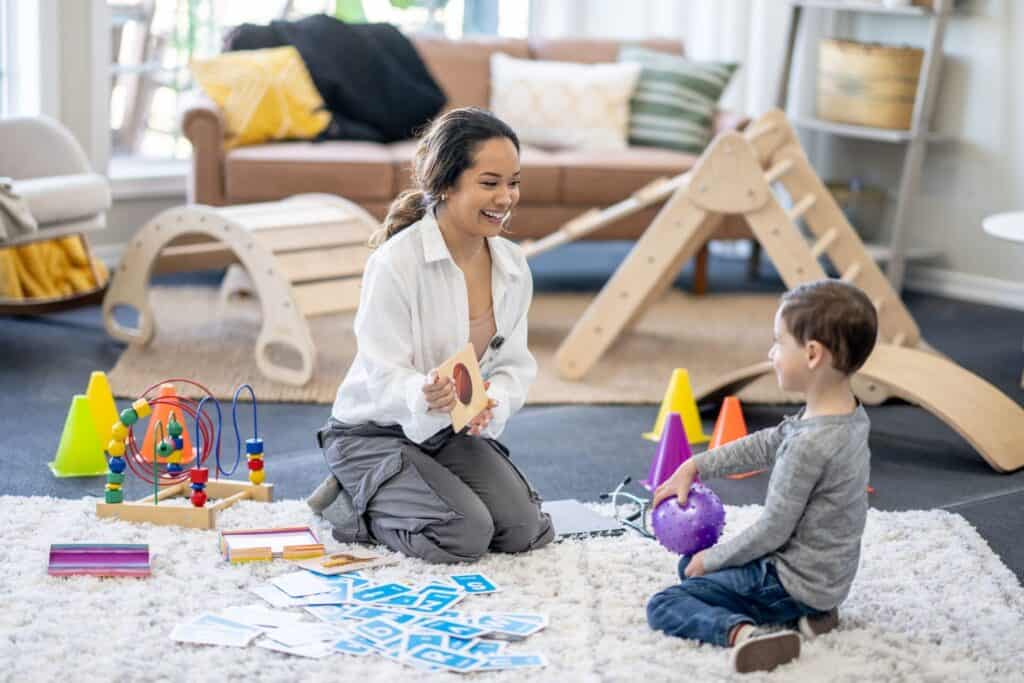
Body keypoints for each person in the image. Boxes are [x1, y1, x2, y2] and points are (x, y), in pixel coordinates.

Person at [307, 107, 554, 564]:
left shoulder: (513, 266)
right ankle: (347, 506)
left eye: (513, 182)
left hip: (447, 430)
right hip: (373, 432)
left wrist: (492, 400)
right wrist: (423, 390)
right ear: (445, 183)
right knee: (463, 536)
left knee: (523, 529)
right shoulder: (396, 264)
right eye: (490, 182)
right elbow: (382, 371)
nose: (506, 197)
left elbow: (514, 364)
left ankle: (423, 485)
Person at [646, 279, 878, 674]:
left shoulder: (810, 446)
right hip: (828, 579)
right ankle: (814, 615)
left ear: (811, 354)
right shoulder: (849, 415)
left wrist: (713, 559)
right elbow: (768, 443)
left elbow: (773, 531)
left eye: (778, 342)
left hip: (789, 581)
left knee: (670, 597)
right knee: (693, 567)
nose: (771, 353)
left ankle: (748, 635)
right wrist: (695, 465)